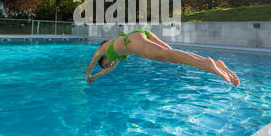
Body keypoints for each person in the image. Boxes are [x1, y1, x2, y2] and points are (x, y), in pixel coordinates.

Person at [86, 30, 240, 86]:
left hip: (134, 42)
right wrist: (95, 77)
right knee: (172, 53)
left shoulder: (102, 49)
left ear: (103, 59)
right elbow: (111, 69)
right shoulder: (116, 56)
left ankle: (207, 64)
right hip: (140, 35)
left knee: (167, 56)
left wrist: (88, 74)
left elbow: (92, 62)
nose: (108, 65)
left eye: (105, 64)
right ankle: (215, 64)